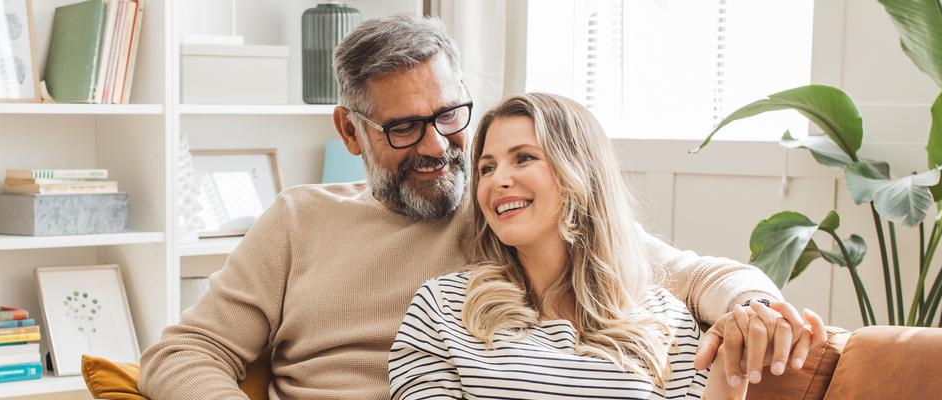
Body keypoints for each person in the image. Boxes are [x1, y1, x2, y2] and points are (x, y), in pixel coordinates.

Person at [139, 14, 825, 399]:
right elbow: (186, 351)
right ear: (350, 131)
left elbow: (681, 272)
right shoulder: (299, 220)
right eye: (404, 128)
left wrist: (756, 308)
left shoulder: (513, 214)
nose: (438, 147)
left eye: (449, 115)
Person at [390, 93, 817, 399]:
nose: (498, 179)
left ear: (580, 173)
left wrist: (731, 368)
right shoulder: (443, 308)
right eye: (487, 167)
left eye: (524, 158)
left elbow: (708, 276)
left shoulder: (664, 322)